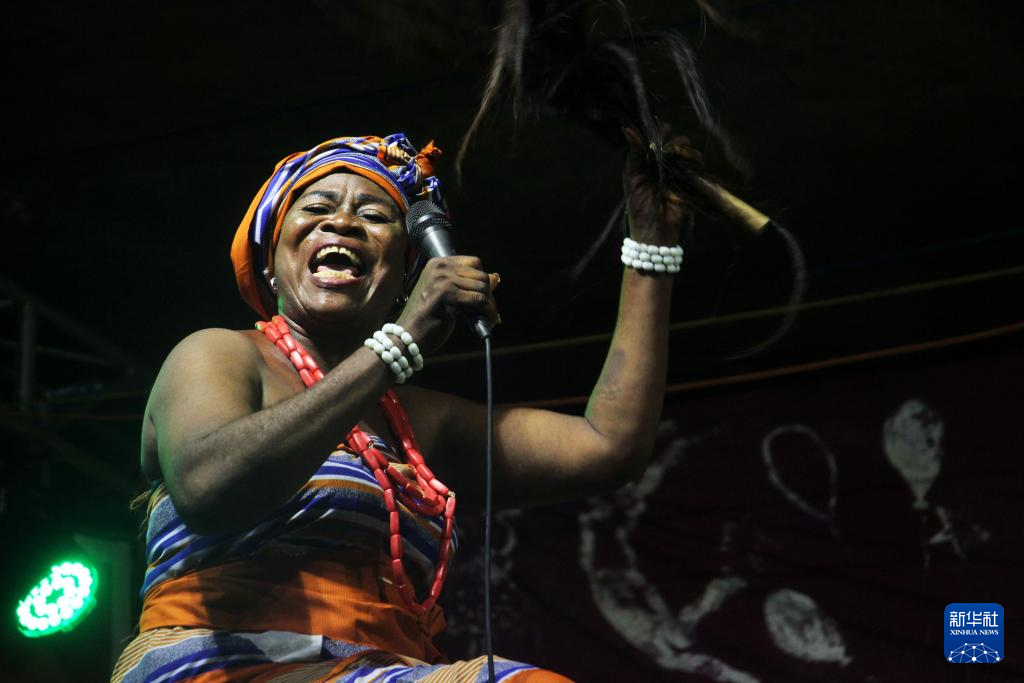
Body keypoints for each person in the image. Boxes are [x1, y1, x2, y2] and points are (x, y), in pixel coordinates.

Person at [111, 130, 688, 682]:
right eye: (316, 208)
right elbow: (209, 489)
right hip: (221, 667)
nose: (342, 221)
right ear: (270, 263)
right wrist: (400, 343)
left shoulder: (413, 424)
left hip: (377, 670)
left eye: (373, 215)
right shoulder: (218, 355)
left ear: (404, 278)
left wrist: (652, 242)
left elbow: (608, 448)